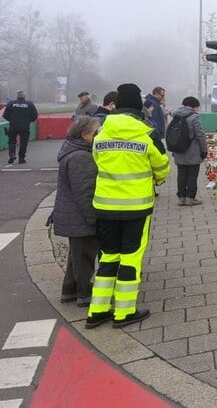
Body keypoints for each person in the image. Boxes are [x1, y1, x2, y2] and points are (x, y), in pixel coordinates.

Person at [86, 83, 169, 329]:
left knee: (108, 256)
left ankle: (97, 310)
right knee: (130, 258)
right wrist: (158, 178)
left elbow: (96, 160)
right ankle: (124, 311)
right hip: (136, 207)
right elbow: (162, 163)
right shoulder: (146, 133)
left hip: (104, 207)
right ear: (138, 108)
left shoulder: (101, 132)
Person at [52, 116, 100, 307]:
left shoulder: (73, 150)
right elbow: (85, 193)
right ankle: (84, 295)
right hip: (79, 217)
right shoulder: (81, 156)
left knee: (76, 255)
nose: (100, 134)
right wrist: (93, 219)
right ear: (85, 134)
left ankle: (69, 290)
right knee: (84, 257)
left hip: (71, 214)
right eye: (97, 131)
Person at [169, 96, 207, 207]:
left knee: (181, 175)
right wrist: (204, 150)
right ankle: (190, 198)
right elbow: (200, 135)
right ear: (194, 106)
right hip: (192, 152)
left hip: (178, 151)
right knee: (192, 175)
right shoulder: (194, 117)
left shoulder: (176, 116)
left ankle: (181, 198)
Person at [3, 90, 38, 165]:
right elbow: (35, 116)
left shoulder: (10, 103)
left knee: (11, 141)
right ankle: (21, 159)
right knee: (23, 143)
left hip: (13, 125)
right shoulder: (29, 104)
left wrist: (12, 120)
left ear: (17, 96)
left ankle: (12, 154)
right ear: (24, 96)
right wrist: (28, 121)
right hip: (24, 126)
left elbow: (5, 115)